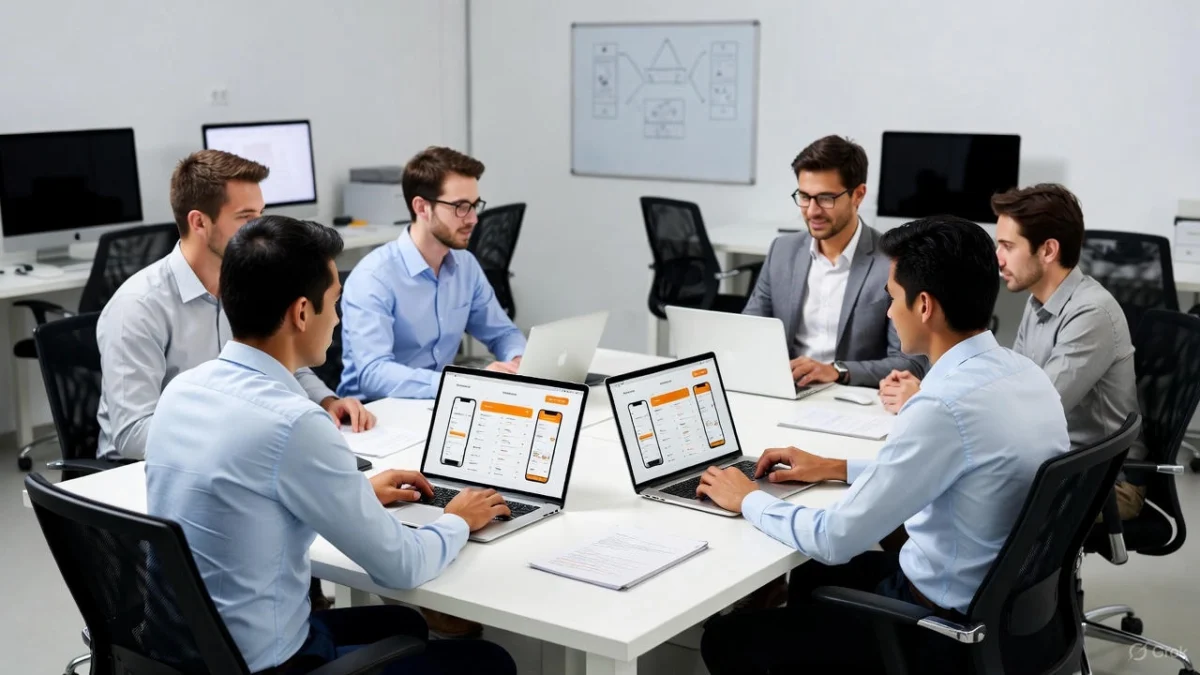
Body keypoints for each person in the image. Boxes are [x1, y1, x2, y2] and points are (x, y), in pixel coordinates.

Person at [697, 215, 1070, 674]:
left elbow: (835, 539)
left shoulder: (941, 406)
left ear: (925, 306)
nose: (889, 310)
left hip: (940, 629)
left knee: (727, 640)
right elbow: (952, 467)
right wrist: (834, 466)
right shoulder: (1023, 372)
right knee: (812, 578)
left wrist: (749, 498)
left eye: (893, 298)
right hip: (1013, 614)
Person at [144, 215, 517, 675]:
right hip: (266, 665)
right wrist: (456, 519)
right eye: (335, 303)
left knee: (403, 623)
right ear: (302, 313)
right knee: (490, 661)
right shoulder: (296, 422)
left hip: (191, 650)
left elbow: (248, 497)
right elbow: (401, 566)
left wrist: (356, 492)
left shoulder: (182, 390)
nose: (338, 319)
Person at [879, 184, 1145, 519]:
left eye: (1007, 245)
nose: (997, 258)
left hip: (1104, 481)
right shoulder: (1038, 301)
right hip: (1050, 462)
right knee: (932, 484)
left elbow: (1036, 409)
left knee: (946, 494)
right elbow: (1008, 384)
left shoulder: (1092, 313)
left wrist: (931, 400)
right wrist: (934, 392)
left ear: (1047, 250)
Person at [97, 150, 374, 463]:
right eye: (246, 217)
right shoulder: (138, 307)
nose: (259, 229)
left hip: (230, 456)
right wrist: (241, 433)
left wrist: (325, 400)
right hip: (141, 474)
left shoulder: (252, 281)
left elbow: (282, 360)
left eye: (260, 214)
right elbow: (133, 435)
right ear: (199, 222)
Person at [338, 146, 525, 402]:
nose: (473, 219)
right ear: (422, 207)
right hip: (374, 415)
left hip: (437, 404)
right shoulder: (374, 277)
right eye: (460, 207)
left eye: (474, 205)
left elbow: (502, 333)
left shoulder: (465, 266)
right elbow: (374, 374)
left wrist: (517, 360)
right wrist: (464, 383)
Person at [743, 135, 926, 388]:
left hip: (852, 398)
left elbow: (911, 362)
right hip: (788, 390)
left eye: (826, 198)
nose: (812, 211)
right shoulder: (782, 251)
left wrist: (837, 371)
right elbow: (748, 332)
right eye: (804, 196)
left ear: (858, 195)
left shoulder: (894, 262)